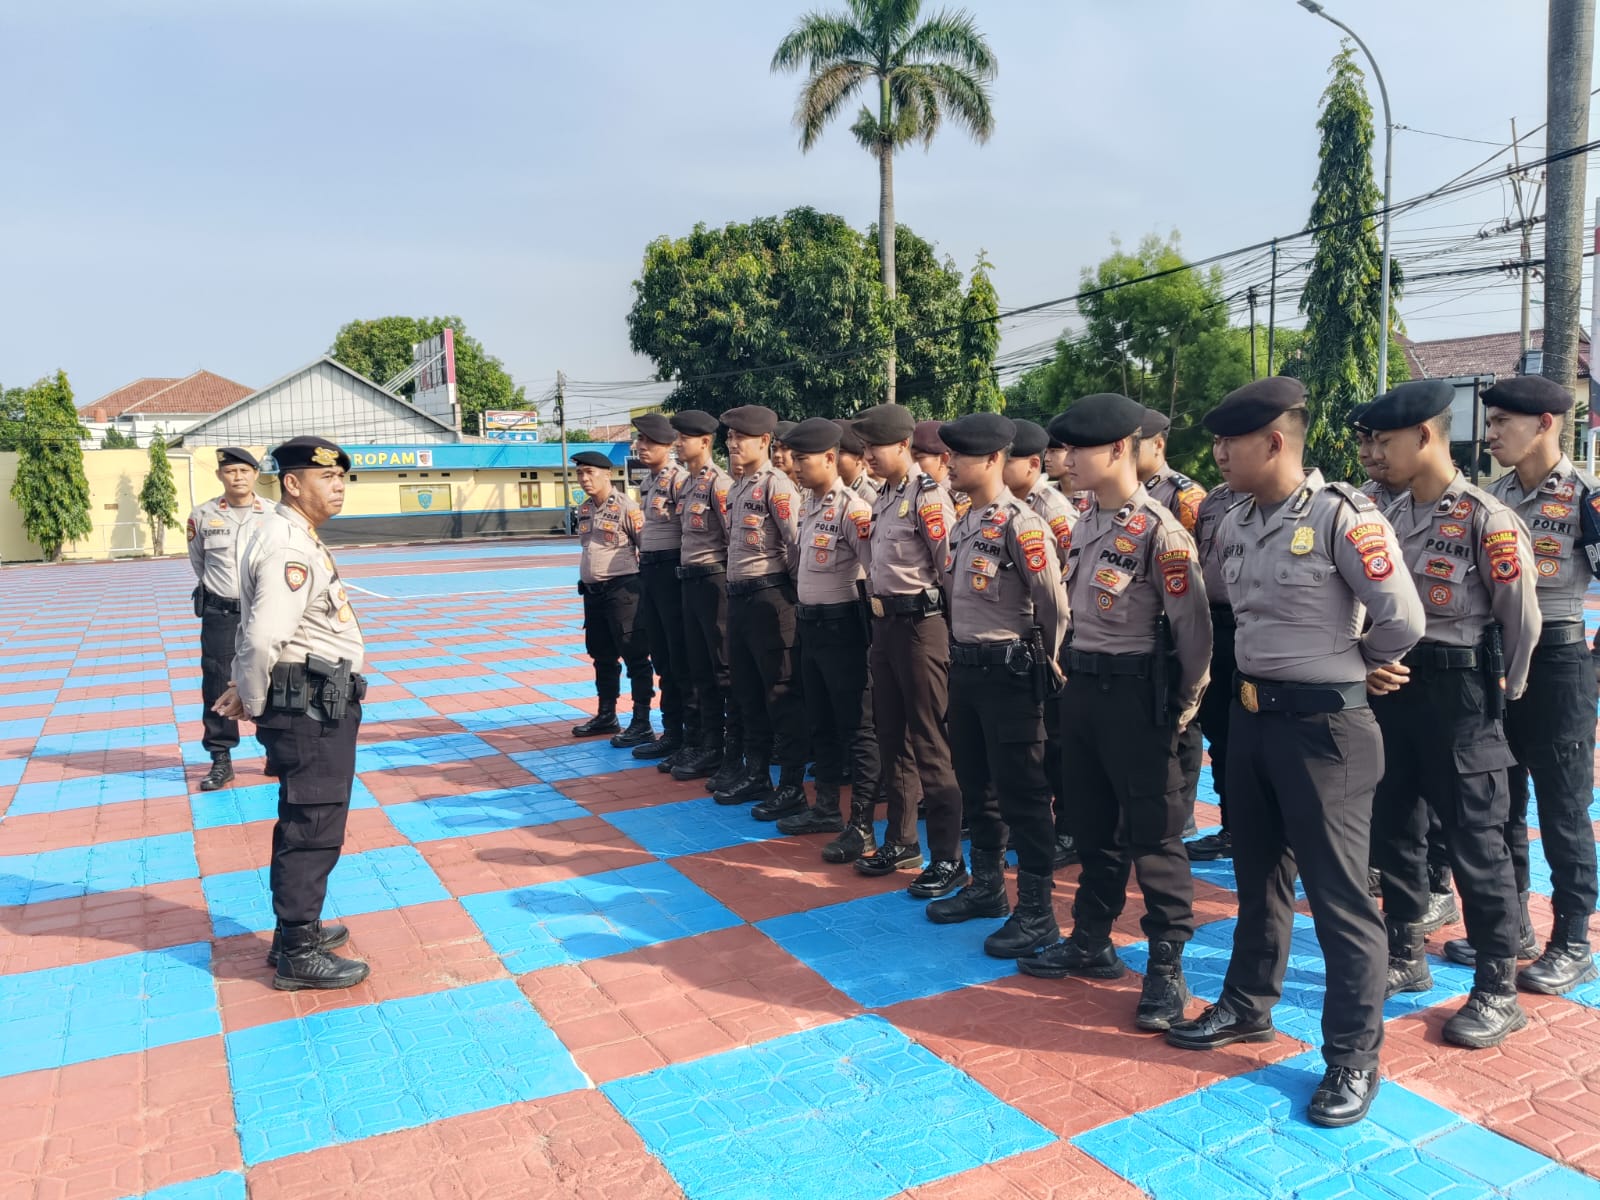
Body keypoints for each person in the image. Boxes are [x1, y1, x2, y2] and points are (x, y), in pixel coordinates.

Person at [1165, 377, 1423, 1129]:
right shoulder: (1237, 519)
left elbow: (1402, 619)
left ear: (1274, 442)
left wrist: (1354, 664)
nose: (1218, 454)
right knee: (1259, 878)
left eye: (1230, 442)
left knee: (1340, 901)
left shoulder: (1343, 516)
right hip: (1253, 723)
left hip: (1326, 732)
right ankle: (1248, 1004)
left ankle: (1352, 1055)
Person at [1020, 395, 1210, 1034]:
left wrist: (1182, 706)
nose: (1067, 460)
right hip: (1084, 692)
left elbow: (1195, 635)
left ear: (1120, 449)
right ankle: (1090, 939)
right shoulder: (1084, 521)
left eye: (1080, 449)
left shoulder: (1162, 531)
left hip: (1137, 697)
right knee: (1092, 825)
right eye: (1066, 449)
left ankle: (1166, 964)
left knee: (1154, 835)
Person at [1362, 380, 1540, 1049]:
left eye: (1385, 441)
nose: (1375, 454)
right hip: (1394, 692)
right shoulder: (1382, 513)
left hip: (1462, 697)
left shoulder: (1486, 519)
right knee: (1396, 830)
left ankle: (1497, 988)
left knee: (1477, 842)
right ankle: (1405, 953)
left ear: (1424, 437)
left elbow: (1521, 622)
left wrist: (1502, 696)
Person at [213, 436, 370, 991]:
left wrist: (245, 685)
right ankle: (299, 951)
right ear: (292, 484)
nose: (339, 486)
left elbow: (258, 627)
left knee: (304, 815)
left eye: (342, 477)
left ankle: (292, 930)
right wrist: (254, 701)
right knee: (315, 821)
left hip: (311, 698)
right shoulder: (288, 545)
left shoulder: (290, 534)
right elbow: (263, 636)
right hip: (311, 705)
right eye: (327, 477)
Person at [925, 412, 1070, 958]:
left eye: (960, 455)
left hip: (1009, 674)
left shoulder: (1021, 523)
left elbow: (1053, 602)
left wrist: (1050, 660)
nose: (950, 464)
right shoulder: (964, 523)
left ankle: (1037, 912)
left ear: (991, 460)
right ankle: (987, 887)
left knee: (1024, 794)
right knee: (976, 786)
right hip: (966, 671)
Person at [1479, 374, 1600, 994]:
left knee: (1564, 809)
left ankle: (1573, 939)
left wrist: (1592, 672)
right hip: (1497, 660)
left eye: (1502, 422)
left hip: (1558, 663)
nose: (1491, 434)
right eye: (1490, 422)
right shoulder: (1491, 499)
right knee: (1501, 803)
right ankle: (1514, 926)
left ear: (1545, 424)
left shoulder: (1586, 498)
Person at [1351, 402, 1459, 929]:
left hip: (1453, 668)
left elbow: (1512, 609)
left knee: (1460, 803)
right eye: (1365, 443)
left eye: (1381, 441)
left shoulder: (1472, 509)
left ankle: (1441, 883)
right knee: (1394, 793)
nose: (1371, 453)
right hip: (1388, 667)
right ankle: (1404, 904)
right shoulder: (1370, 508)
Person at [853, 404, 963, 891]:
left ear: (902, 445)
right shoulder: (884, 497)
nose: (868, 455)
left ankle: (948, 856)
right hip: (885, 627)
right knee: (891, 735)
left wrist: (952, 635)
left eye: (875, 446)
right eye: (864, 447)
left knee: (930, 741)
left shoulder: (929, 497)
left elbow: (950, 571)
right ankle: (901, 840)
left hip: (923, 627)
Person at [775, 417, 879, 835]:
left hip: (842, 629)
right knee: (820, 723)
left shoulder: (854, 509)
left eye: (803, 459)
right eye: (795, 458)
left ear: (830, 459)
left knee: (856, 727)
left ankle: (862, 823)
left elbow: (873, 573)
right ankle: (826, 809)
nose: (796, 466)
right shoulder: (808, 506)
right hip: (810, 627)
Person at [715, 406, 809, 814]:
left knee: (781, 693)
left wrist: (787, 592)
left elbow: (796, 545)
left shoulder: (777, 485)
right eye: (730, 436)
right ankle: (756, 774)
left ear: (765, 441)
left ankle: (791, 784)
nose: (733, 443)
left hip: (770, 598)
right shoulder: (738, 488)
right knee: (747, 690)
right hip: (739, 598)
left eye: (741, 437)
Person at [1003, 419, 1081, 870]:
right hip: (1021, 643)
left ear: (1031, 464)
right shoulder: (1006, 507)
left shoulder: (1052, 510)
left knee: (1058, 740)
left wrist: (1055, 649)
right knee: (1031, 740)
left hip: (1051, 640)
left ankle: (1069, 827)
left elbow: (1066, 581)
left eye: (1008, 458)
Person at [1138, 407, 1209, 839]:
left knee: (1183, 724)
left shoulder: (1184, 497)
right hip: (1140, 631)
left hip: (1176, 624)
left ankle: (1182, 814)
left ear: (1158, 445)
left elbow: (1195, 565)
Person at [187, 447, 268, 791]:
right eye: (231, 471)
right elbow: (199, 563)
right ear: (220, 475)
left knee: (274, 677)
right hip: (220, 611)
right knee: (217, 683)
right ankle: (221, 759)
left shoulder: (275, 514)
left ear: (256, 474)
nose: (238, 477)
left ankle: (277, 751)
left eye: (244, 471)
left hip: (264, 611)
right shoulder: (203, 515)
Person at [667, 410, 737, 783]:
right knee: (698, 668)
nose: (677, 444)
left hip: (714, 581)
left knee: (722, 668)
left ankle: (731, 750)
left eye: (684, 438)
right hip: (689, 582)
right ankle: (707, 744)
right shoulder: (687, 484)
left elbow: (732, 539)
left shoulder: (718, 484)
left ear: (705, 442)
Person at [1182, 473, 1247, 862]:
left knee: (1264, 743)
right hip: (1215, 627)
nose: (1222, 453)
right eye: (1219, 444)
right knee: (1221, 736)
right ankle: (1232, 828)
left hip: (1254, 630)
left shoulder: (1295, 505)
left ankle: (1277, 837)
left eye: (1231, 444)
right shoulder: (1214, 501)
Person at [568, 452, 654, 744]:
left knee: (635, 655)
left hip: (623, 592)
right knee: (601, 655)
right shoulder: (584, 509)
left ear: (607, 474)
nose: (584, 479)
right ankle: (607, 715)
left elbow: (645, 547)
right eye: (580, 473)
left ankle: (641, 720)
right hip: (593, 594)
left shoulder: (626, 507)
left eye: (590, 472)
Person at [629, 414, 694, 767]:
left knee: (679, 657)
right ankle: (671, 732)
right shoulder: (648, 483)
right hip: (650, 571)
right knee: (662, 657)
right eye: (639, 440)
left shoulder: (680, 480)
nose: (640, 446)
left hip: (672, 571)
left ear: (668, 446)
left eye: (647, 441)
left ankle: (688, 736)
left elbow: (690, 531)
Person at [834, 419, 880, 501]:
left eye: (840, 452)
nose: (832, 459)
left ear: (859, 457)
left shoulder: (870, 495)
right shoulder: (827, 491)